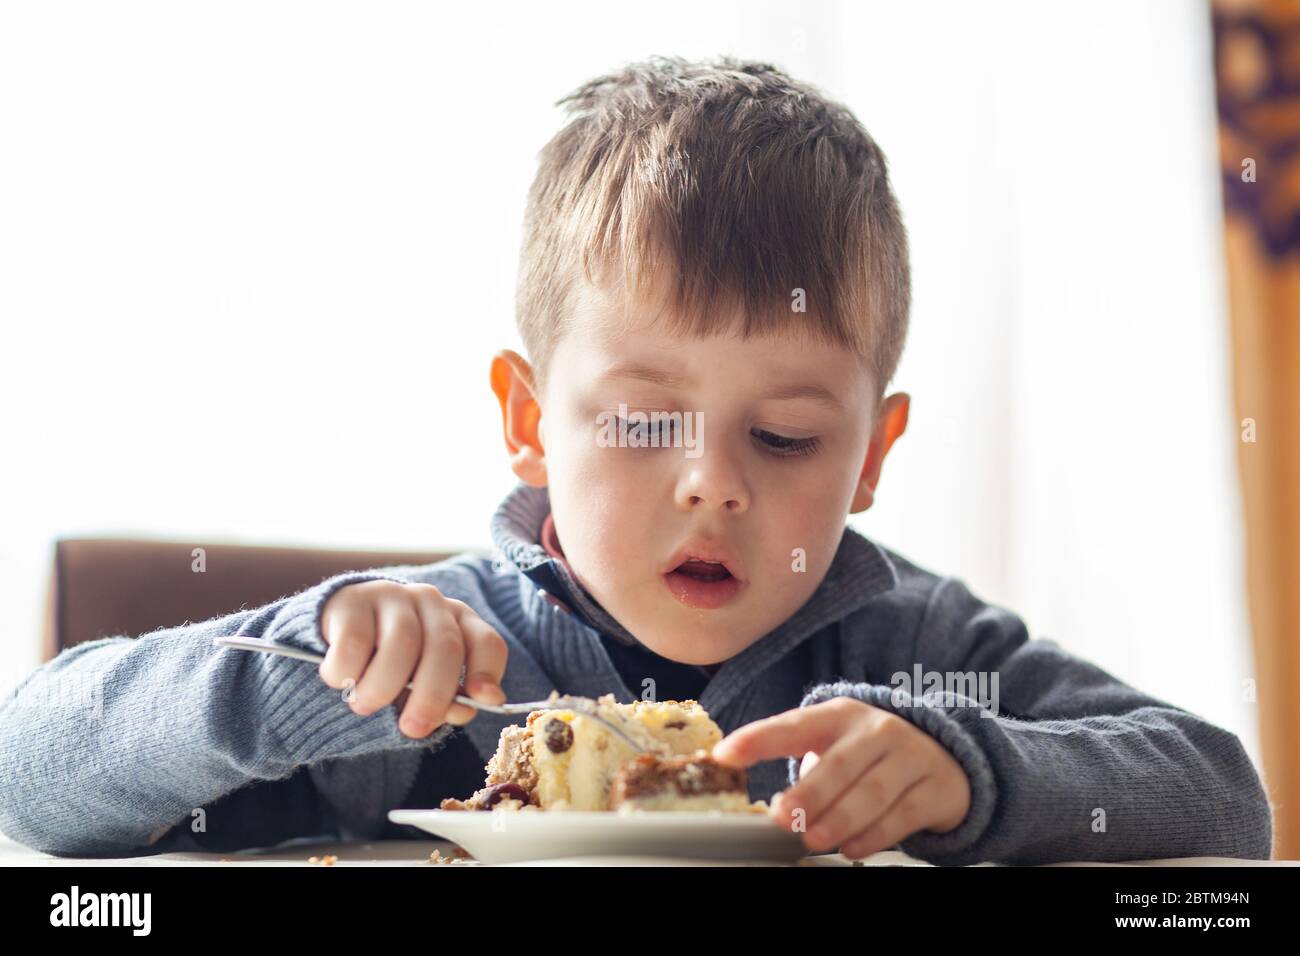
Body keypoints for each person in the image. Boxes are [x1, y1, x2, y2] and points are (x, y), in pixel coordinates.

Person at [0, 56, 1273, 865]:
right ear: (528, 419)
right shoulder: (413, 669)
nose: (713, 482)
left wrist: (973, 771)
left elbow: (1222, 797)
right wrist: (306, 676)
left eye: (783, 436)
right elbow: (30, 778)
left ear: (874, 454)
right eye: (640, 419)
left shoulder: (912, 648)